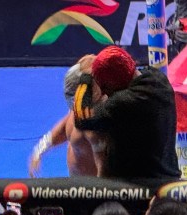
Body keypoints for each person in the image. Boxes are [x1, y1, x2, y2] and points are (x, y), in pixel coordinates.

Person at [76, 46, 179, 180]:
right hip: (170, 180)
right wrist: (99, 64)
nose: (105, 92)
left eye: (105, 87)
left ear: (114, 83)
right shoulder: (158, 79)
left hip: (138, 186)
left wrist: (85, 79)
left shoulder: (123, 102)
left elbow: (82, 118)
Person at [28, 62, 101, 177]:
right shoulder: (79, 108)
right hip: (76, 182)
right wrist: (40, 149)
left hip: (98, 185)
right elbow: (65, 126)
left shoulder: (104, 120)